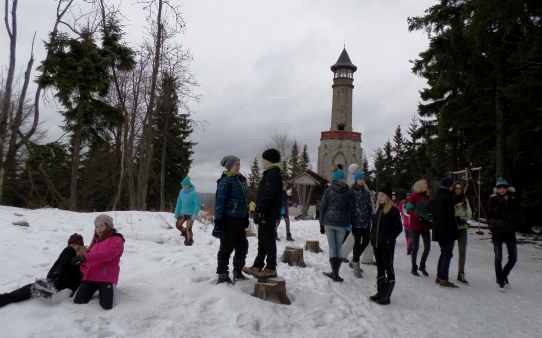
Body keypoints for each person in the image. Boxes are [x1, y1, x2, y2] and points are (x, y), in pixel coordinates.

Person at [0, 234, 85, 308]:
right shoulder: (70, 258)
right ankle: (4, 298)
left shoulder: (85, 255)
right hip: (63, 281)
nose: (74, 247)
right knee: (31, 288)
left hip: (73, 283)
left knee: (68, 251)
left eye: (76, 245)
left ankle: (50, 281)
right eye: (72, 245)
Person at [243, 149, 284, 279]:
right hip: (267, 213)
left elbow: (268, 194)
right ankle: (258, 265)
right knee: (263, 240)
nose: (262, 162)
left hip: (268, 213)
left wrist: (260, 210)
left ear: (269, 160)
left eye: (264, 159)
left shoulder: (272, 173)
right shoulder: (271, 173)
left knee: (268, 240)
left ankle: (271, 267)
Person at [72, 214, 125, 310]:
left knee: (107, 306)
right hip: (90, 279)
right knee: (77, 301)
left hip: (106, 278)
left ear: (108, 226)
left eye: (101, 226)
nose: (99, 229)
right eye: (96, 227)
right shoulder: (95, 243)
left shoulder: (117, 239)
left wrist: (85, 257)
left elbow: (109, 254)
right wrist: (82, 263)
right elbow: (90, 261)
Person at [213, 156, 250, 284]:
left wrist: (246, 216)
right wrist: (218, 221)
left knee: (242, 246)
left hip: (239, 219)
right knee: (226, 246)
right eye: (236, 165)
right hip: (229, 219)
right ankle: (222, 274)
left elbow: (243, 201)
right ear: (229, 167)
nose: (238, 167)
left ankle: (237, 272)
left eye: (239, 164)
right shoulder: (225, 181)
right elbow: (220, 202)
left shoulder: (239, 180)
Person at [317, 165, 355, 282]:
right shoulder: (348, 191)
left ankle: (333, 272)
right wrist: (352, 222)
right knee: (339, 246)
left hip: (329, 220)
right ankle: (336, 273)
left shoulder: (328, 190)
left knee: (332, 246)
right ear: (343, 177)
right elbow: (352, 208)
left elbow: (322, 207)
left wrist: (321, 223)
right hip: (342, 221)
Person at [369, 183, 402, 305]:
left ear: (388, 196)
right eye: (378, 195)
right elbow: (375, 226)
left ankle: (387, 296)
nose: (380, 197)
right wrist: (372, 237)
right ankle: (380, 292)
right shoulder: (378, 209)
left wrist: (389, 239)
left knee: (389, 269)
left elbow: (398, 228)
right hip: (377, 244)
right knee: (380, 269)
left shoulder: (393, 210)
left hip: (387, 245)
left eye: (382, 195)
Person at [487, 178, 519, 292]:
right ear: (497, 189)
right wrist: (501, 200)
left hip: (510, 230)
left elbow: (513, 207)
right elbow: (492, 212)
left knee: (513, 257)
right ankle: (499, 280)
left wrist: (500, 200)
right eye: (499, 188)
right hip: (497, 230)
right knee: (498, 257)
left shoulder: (513, 197)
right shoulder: (493, 198)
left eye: (504, 188)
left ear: (507, 188)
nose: (501, 190)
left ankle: (503, 275)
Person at [432, 178, 459, 289]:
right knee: (447, 253)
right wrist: (454, 231)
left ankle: (439, 276)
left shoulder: (435, 197)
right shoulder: (448, 198)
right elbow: (450, 217)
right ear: (450, 186)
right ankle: (444, 278)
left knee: (443, 252)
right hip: (447, 230)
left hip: (437, 229)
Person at [349, 171, 373, 278]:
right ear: (356, 180)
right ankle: (356, 265)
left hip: (366, 222)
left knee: (366, 241)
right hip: (356, 222)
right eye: (360, 179)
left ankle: (354, 259)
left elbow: (369, 206)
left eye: (363, 179)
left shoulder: (366, 193)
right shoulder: (352, 192)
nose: (362, 181)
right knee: (357, 243)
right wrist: (351, 220)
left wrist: (373, 218)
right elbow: (350, 208)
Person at [406, 179, 432, 277]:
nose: (426, 185)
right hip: (415, 225)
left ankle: (422, 265)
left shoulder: (428, 197)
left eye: (426, 183)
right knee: (415, 247)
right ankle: (414, 267)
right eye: (424, 184)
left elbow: (429, 209)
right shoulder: (413, 196)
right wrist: (418, 216)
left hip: (425, 225)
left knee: (428, 247)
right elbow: (408, 209)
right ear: (419, 185)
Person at [453, 181, 472, 285]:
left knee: (462, 251)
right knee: (448, 251)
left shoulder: (465, 200)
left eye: (460, 188)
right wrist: (456, 207)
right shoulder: (450, 199)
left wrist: (464, 218)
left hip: (462, 227)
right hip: (452, 228)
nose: (459, 190)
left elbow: (470, 213)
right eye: (457, 188)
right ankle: (443, 272)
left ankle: (461, 272)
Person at [174, 177, 201, 246]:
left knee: (189, 229)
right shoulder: (181, 192)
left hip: (191, 214)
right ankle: (184, 232)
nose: (183, 187)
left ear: (189, 186)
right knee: (178, 225)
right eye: (182, 185)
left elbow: (197, 204)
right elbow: (179, 203)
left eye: (185, 186)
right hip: (183, 213)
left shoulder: (193, 193)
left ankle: (189, 242)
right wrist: (177, 213)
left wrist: (195, 214)